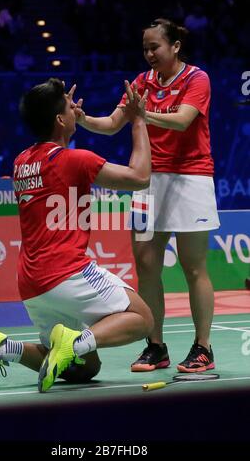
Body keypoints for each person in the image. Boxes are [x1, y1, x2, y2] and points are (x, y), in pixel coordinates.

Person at [0, 78, 154, 393]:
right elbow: (140, 177)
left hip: (32, 283)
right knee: (141, 317)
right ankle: (74, 342)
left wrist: (72, 118)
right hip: (67, 271)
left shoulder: (21, 162)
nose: (74, 108)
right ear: (59, 119)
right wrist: (138, 120)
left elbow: (56, 164)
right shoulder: (75, 160)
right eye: (69, 106)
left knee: (85, 368)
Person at [75, 18, 220, 373]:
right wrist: (81, 119)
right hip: (146, 185)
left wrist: (144, 113)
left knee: (194, 267)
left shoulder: (196, 79)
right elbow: (112, 123)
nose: (149, 54)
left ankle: (203, 347)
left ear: (175, 47)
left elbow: (183, 120)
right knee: (147, 267)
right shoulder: (142, 83)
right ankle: (156, 346)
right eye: (145, 48)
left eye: (155, 46)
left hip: (190, 180)